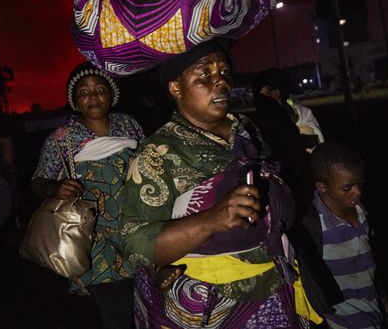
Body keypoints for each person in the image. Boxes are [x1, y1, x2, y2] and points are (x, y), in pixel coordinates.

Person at [120, 40, 316, 329]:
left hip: (275, 289)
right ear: (176, 88)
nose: (220, 81)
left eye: (224, 71)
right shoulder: (158, 154)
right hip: (210, 307)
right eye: (204, 74)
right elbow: (134, 243)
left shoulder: (247, 131)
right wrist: (211, 220)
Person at [31, 62, 145, 329]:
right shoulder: (63, 138)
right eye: (84, 92)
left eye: (99, 90)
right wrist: (54, 189)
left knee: (145, 308)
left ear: (111, 94)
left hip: (137, 231)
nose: (93, 96)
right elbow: (37, 181)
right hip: (95, 241)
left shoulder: (129, 125)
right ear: (75, 100)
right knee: (114, 315)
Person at [303, 141, 388, 329]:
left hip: (373, 312)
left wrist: (380, 292)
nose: (358, 193)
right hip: (339, 321)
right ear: (322, 186)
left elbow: (369, 258)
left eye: (361, 184)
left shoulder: (362, 212)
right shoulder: (313, 226)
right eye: (347, 188)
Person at [253, 68, 324, 152]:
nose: (260, 100)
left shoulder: (303, 114)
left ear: (276, 92)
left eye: (263, 95)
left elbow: (315, 143)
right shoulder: (255, 122)